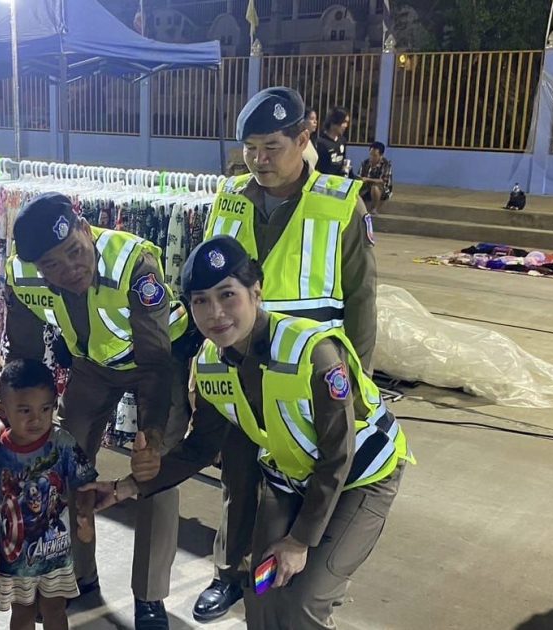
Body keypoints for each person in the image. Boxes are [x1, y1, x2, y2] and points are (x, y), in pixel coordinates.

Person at [86, 236, 410, 630]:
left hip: (361, 476)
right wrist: (126, 486)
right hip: (293, 477)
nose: (215, 313)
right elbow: (200, 447)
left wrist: (300, 541)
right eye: (201, 301)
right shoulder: (210, 364)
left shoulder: (312, 352)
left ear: (256, 292)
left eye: (227, 295)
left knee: (304, 603)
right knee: (261, 590)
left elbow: (338, 454)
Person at [196, 86, 378, 622]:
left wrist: (357, 385)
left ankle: (305, 576)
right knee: (237, 476)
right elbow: (207, 286)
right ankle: (229, 573)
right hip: (240, 368)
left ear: (304, 136)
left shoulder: (341, 204)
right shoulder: (230, 196)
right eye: (250, 148)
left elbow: (361, 303)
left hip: (307, 379)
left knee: (309, 475)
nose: (259, 160)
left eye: (272, 147)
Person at [0, 192, 194, 629]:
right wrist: (3, 417)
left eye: (75, 252)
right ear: (37, 266)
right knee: (61, 463)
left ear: (85, 228)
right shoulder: (23, 275)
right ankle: (76, 574)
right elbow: (24, 357)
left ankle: (149, 596)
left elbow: (154, 363)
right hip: (93, 366)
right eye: (53, 265)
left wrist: (151, 437)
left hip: (157, 362)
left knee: (155, 473)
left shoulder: (134, 263)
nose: (70, 269)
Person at [0, 359, 98, 630]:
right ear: (3, 410)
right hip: (14, 559)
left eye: (45, 408)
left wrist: (85, 516)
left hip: (56, 554)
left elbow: (85, 484)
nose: (37, 419)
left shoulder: (63, 443)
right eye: (24, 410)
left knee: (55, 609)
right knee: (22, 613)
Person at [314, 107, 352, 177]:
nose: (346, 126)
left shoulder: (342, 140)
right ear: (334, 122)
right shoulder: (321, 143)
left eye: (347, 122)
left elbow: (343, 160)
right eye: (344, 122)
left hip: (340, 180)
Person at [359, 141, 393, 214]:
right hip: (367, 187)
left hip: (382, 188)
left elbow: (383, 180)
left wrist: (367, 179)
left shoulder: (386, 164)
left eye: (375, 155)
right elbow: (360, 176)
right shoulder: (365, 163)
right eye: (370, 154)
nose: (372, 157)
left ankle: (374, 208)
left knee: (375, 188)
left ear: (381, 155)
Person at [301, 108, 318, 172]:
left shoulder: (312, 141)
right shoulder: (296, 141)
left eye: (316, 119)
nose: (315, 122)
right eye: (312, 119)